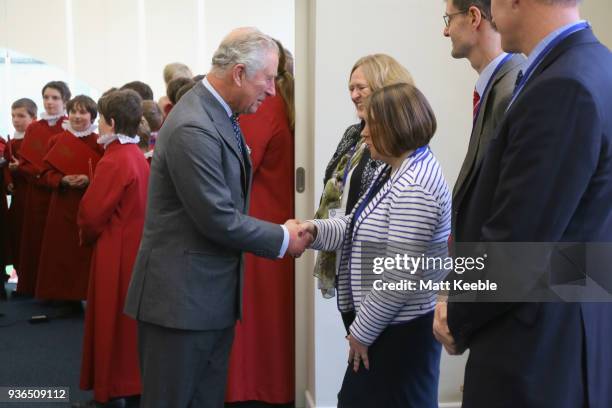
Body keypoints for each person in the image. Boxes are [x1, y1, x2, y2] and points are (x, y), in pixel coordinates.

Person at [434, 0, 612, 407]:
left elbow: (519, 242)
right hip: (567, 331)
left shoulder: (562, 85)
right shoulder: (595, 65)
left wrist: (455, 312)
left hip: (537, 352)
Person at [124, 27, 310, 408]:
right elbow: (217, 217)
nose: (273, 90)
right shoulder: (194, 126)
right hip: (180, 305)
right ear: (239, 73)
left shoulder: (217, 114)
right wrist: (282, 237)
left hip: (205, 300)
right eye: (268, 79)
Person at [302, 82, 450, 407]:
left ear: (395, 127)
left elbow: (399, 275)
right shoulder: (397, 169)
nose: (364, 133)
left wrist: (360, 332)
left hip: (401, 332)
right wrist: (312, 231)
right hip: (389, 325)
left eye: (371, 125)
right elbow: (355, 223)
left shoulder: (414, 186)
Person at [225, 40, 295, 404]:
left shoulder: (263, 109)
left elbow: (238, 165)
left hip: (261, 219)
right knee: (274, 315)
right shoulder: (284, 104)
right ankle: (273, 386)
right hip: (277, 216)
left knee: (257, 317)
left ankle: (252, 388)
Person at [315, 53, 413, 301]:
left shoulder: (398, 142)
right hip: (342, 251)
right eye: (351, 88)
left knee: (369, 327)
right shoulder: (352, 134)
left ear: (383, 88)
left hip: (374, 261)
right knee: (354, 329)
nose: (354, 95)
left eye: (361, 88)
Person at [75, 89, 149, 408]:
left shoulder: (115, 160)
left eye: (102, 120)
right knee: (128, 328)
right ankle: (129, 385)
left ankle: (109, 391)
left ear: (112, 122)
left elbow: (91, 215)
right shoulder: (138, 157)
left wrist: (86, 235)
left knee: (109, 324)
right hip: (137, 248)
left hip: (114, 251)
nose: (99, 127)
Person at [442, 0, 524, 234]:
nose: (445, 30)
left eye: (449, 19)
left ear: (474, 17)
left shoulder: (511, 92)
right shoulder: (498, 87)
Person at [35, 95, 101, 303]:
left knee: (82, 254)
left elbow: (106, 173)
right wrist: (62, 180)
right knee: (59, 251)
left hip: (86, 204)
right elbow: (44, 173)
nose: (77, 116)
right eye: (73, 111)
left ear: (92, 116)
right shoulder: (55, 140)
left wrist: (88, 179)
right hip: (61, 203)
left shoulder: (99, 142)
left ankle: (81, 295)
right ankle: (59, 295)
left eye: (82, 112)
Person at [15, 81, 70, 296]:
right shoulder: (35, 128)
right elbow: (24, 163)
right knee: (36, 240)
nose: (49, 102)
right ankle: (35, 287)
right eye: (46, 97)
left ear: (65, 100)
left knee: (60, 243)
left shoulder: (70, 126)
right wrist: (41, 175)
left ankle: (61, 290)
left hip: (62, 194)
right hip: (37, 193)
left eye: (55, 98)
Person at [4, 99, 37, 276]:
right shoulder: (11, 142)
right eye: (13, 116)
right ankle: (20, 274)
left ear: (33, 118)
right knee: (17, 234)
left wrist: (21, 167)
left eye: (21, 116)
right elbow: (6, 166)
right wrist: (9, 178)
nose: (16, 120)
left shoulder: (36, 140)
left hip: (33, 194)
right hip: (18, 196)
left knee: (31, 236)